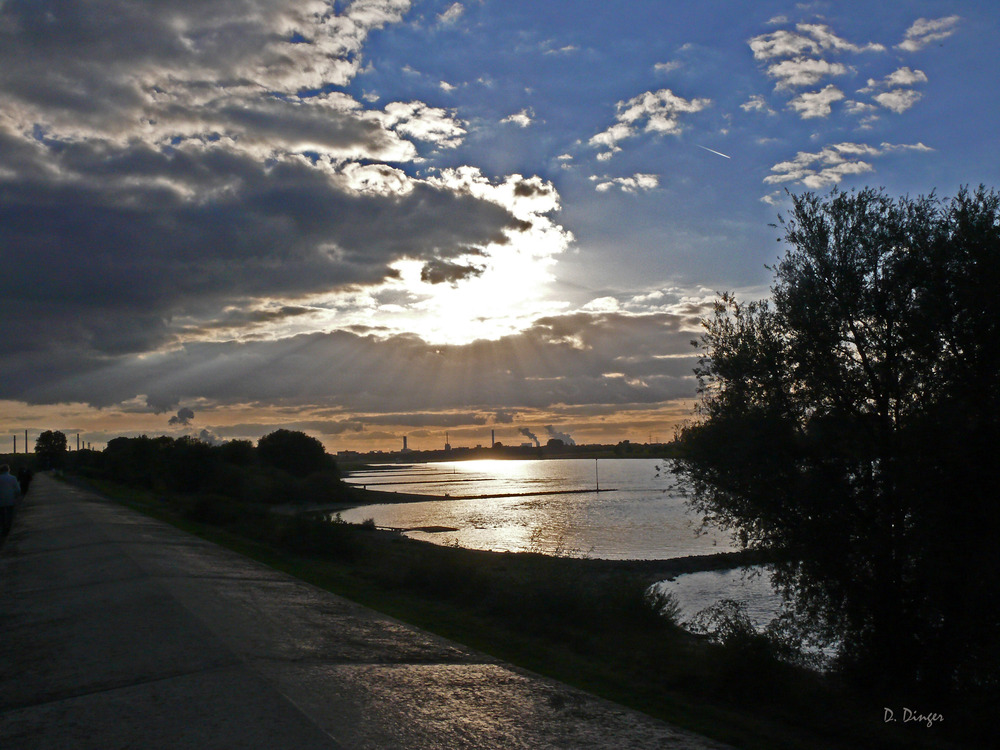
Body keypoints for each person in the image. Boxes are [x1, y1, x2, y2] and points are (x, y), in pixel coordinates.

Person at [0, 464, 21, 539]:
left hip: (1, 499)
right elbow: (17, 489)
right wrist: (17, 497)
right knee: (9, 514)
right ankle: (8, 528)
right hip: (10, 498)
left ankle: (3, 528)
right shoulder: (13, 478)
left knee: (2, 515)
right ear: (8, 470)